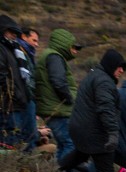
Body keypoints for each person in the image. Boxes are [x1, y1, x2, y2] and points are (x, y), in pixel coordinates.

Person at [58, 48, 126, 172]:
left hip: (81, 128)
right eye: (119, 67)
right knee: (106, 170)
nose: (122, 70)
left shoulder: (94, 75)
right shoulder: (104, 82)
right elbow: (106, 108)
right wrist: (112, 132)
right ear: (111, 65)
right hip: (94, 131)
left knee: (80, 154)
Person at [34, 28, 79, 162]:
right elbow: (59, 82)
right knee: (69, 144)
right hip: (57, 109)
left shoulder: (50, 56)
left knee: (63, 144)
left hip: (53, 108)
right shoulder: (54, 57)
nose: (75, 50)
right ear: (64, 43)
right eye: (73, 46)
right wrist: (69, 98)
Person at [0, 15, 28, 149]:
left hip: (15, 104)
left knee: (15, 142)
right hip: (7, 105)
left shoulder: (13, 50)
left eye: (16, 33)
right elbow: (2, 76)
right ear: (3, 31)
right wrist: (14, 94)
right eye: (11, 32)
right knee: (8, 144)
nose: (14, 35)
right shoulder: (2, 49)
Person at [15, 26, 37, 151]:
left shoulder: (27, 53)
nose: (37, 44)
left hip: (27, 98)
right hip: (24, 99)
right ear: (24, 36)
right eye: (34, 40)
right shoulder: (19, 52)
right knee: (28, 136)